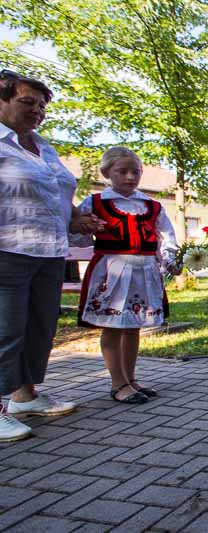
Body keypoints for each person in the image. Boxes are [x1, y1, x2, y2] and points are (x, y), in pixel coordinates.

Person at [0, 70, 104, 442]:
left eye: (42, 106)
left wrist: (77, 218)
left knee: (39, 327)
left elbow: (55, 195)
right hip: (8, 250)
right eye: (27, 102)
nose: (37, 111)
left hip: (50, 250)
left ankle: (24, 397)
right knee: (5, 330)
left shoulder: (44, 148)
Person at [76, 147, 180, 404]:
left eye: (136, 172)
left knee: (133, 326)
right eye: (122, 171)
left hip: (143, 271)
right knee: (113, 326)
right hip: (112, 272)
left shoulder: (152, 206)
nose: (130, 177)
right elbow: (76, 235)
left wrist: (170, 261)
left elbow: (166, 237)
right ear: (106, 173)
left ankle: (130, 378)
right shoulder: (95, 203)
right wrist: (86, 226)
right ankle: (118, 383)